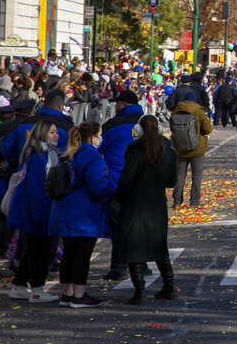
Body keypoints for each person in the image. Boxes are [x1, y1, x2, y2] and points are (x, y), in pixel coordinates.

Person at [48, 121, 115, 308]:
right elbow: (99, 186)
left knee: (69, 253)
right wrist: (110, 193)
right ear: (93, 136)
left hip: (66, 211)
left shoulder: (69, 153)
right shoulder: (92, 156)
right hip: (85, 213)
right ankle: (79, 294)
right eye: (98, 134)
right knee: (82, 254)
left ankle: (67, 293)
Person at [115, 115, 178, 304]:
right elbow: (172, 182)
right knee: (159, 246)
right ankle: (169, 286)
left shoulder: (134, 150)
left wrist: (118, 195)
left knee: (134, 247)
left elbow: (126, 180)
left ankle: (140, 291)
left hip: (135, 203)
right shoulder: (168, 150)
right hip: (157, 205)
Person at [6, 121, 61, 303]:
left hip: (33, 212)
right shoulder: (39, 156)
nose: (56, 135)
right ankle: (37, 290)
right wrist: (41, 215)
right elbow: (37, 190)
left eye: (56, 132)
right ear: (42, 134)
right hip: (35, 212)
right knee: (40, 252)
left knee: (32, 250)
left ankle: (19, 286)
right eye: (51, 132)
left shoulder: (44, 154)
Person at [97, 89, 145, 281]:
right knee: (140, 225)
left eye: (117, 103)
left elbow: (102, 150)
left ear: (123, 104)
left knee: (119, 227)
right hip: (142, 181)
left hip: (118, 180)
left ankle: (119, 267)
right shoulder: (147, 121)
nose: (115, 106)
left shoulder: (112, 125)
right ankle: (141, 264)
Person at [169, 89, 213, 208]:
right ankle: (194, 201)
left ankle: (177, 201)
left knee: (180, 175)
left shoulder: (175, 112)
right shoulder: (198, 112)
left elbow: (172, 128)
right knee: (196, 175)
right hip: (197, 148)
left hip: (180, 148)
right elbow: (208, 129)